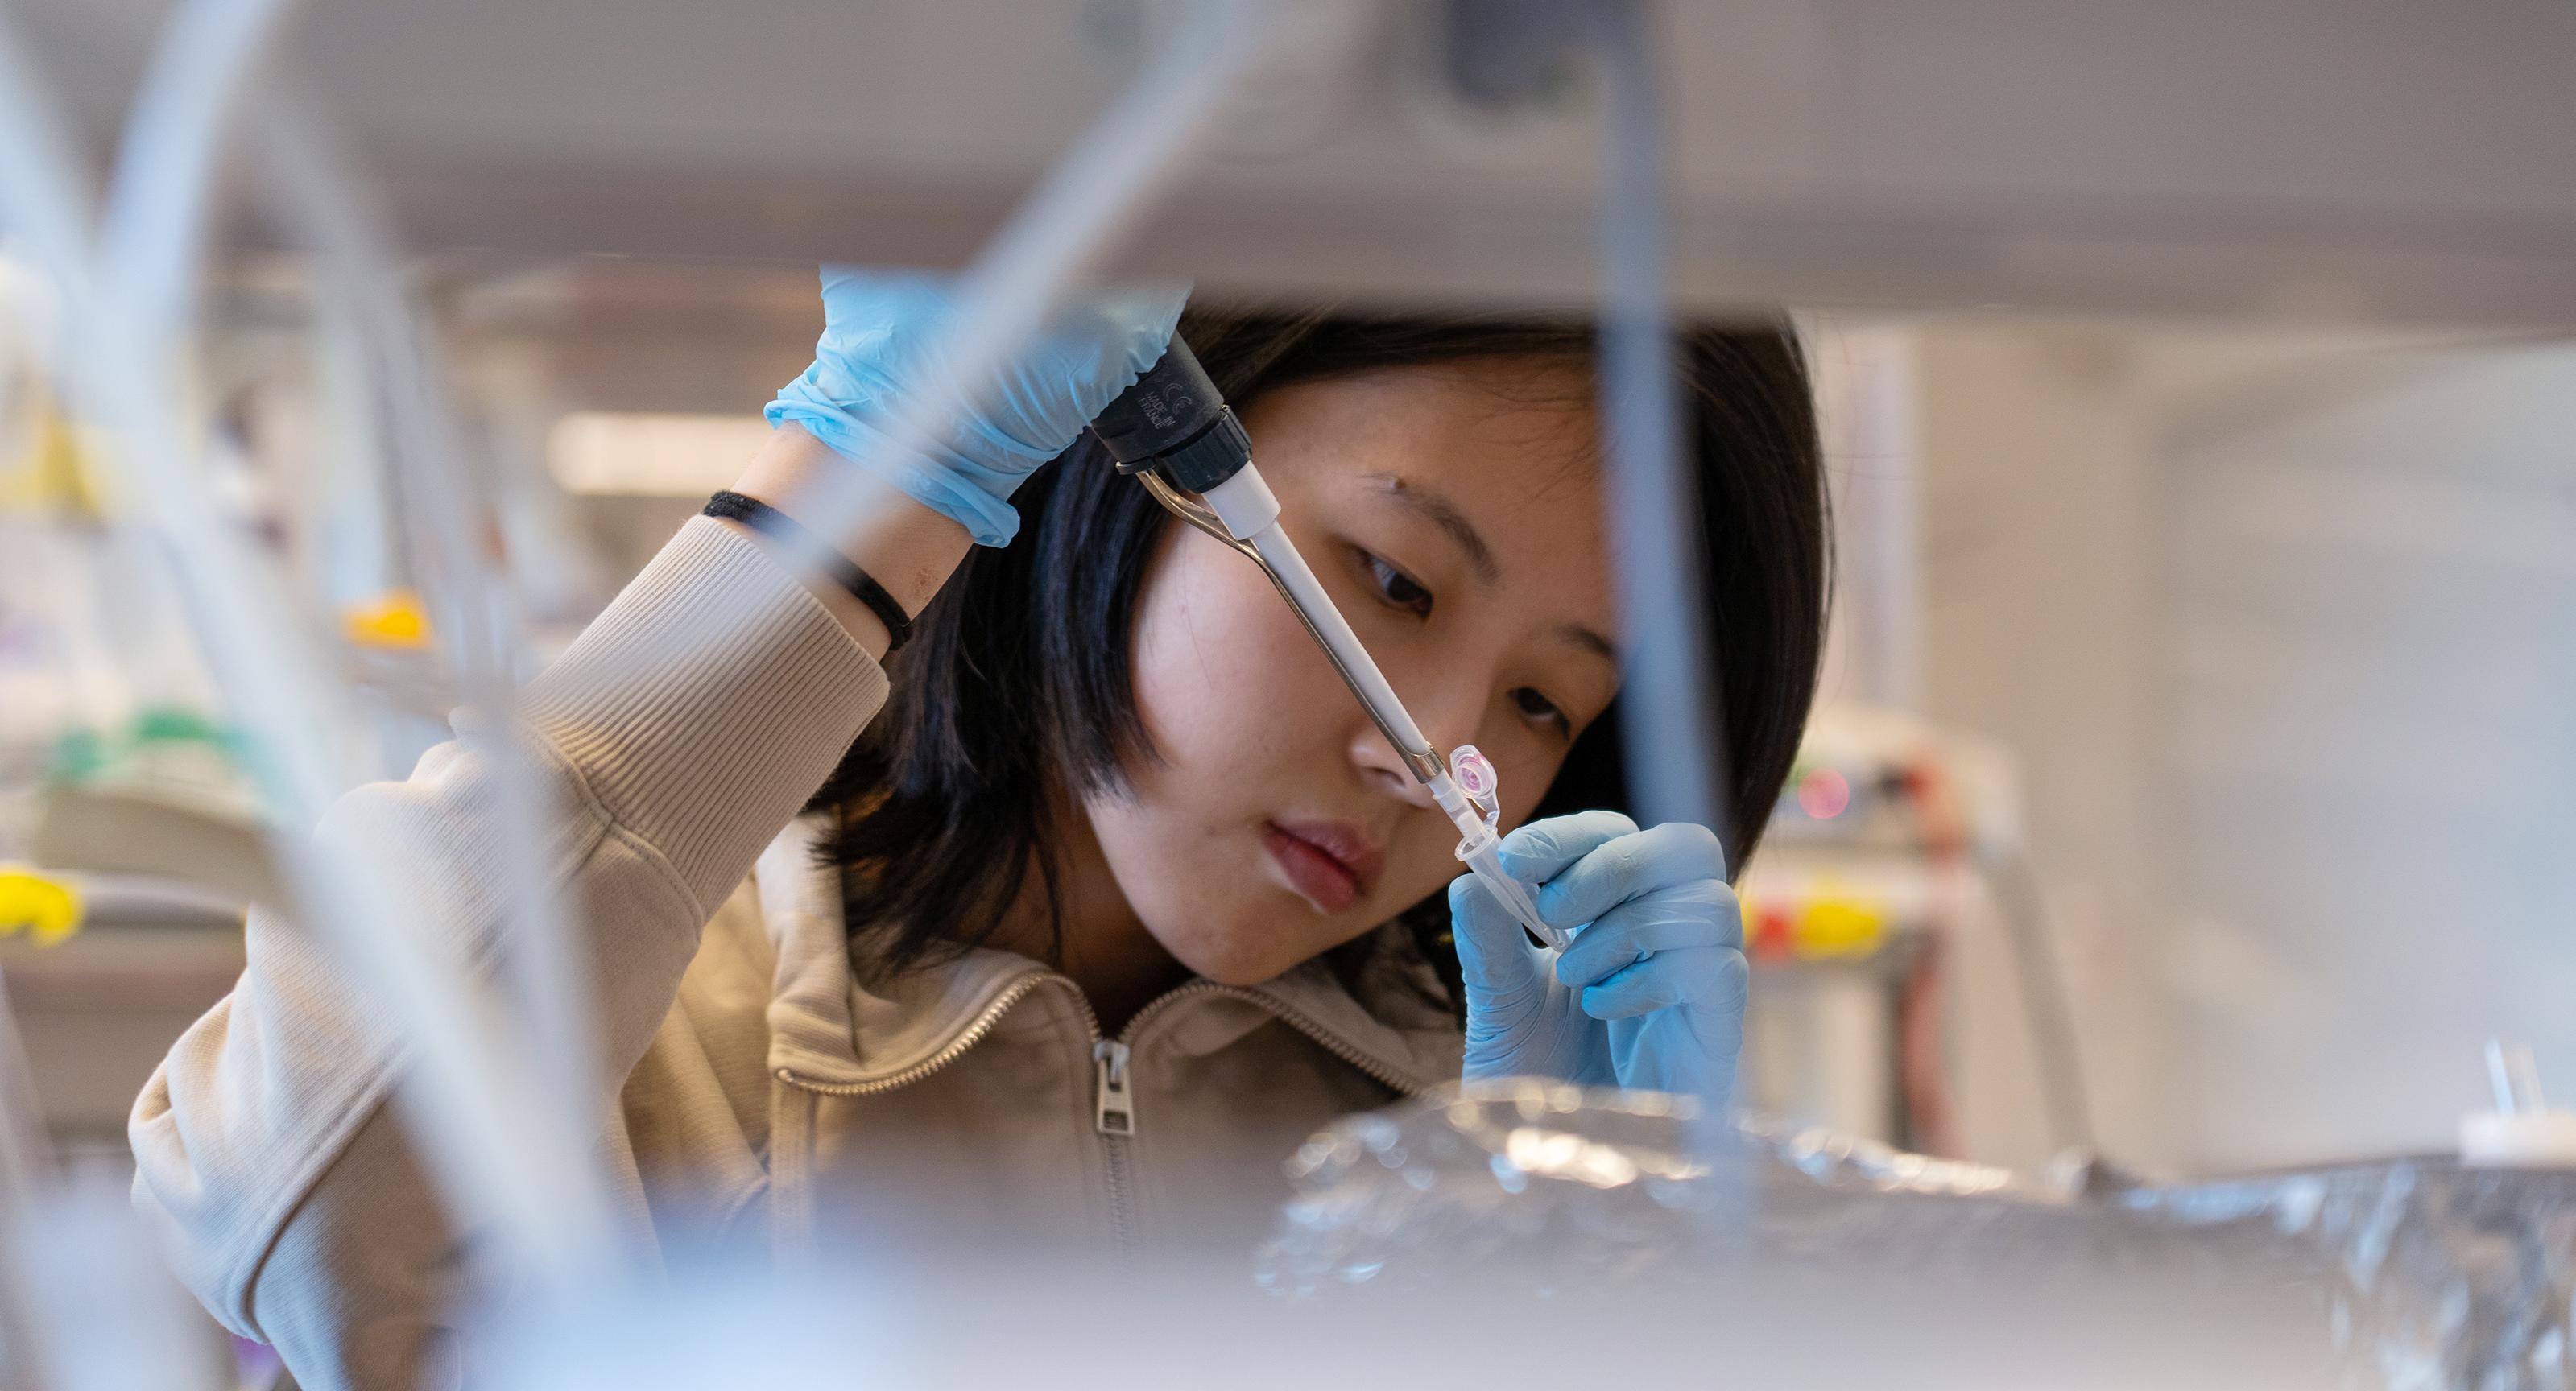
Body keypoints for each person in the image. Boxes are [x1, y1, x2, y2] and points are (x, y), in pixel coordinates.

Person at [129, 271, 1829, 1390]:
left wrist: (1574, 1258)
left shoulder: (1451, 1129)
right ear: (1127, 452)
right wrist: (871, 471)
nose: (1432, 755)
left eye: (1544, 700)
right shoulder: (655, 1025)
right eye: (1392, 579)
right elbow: (313, 1214)